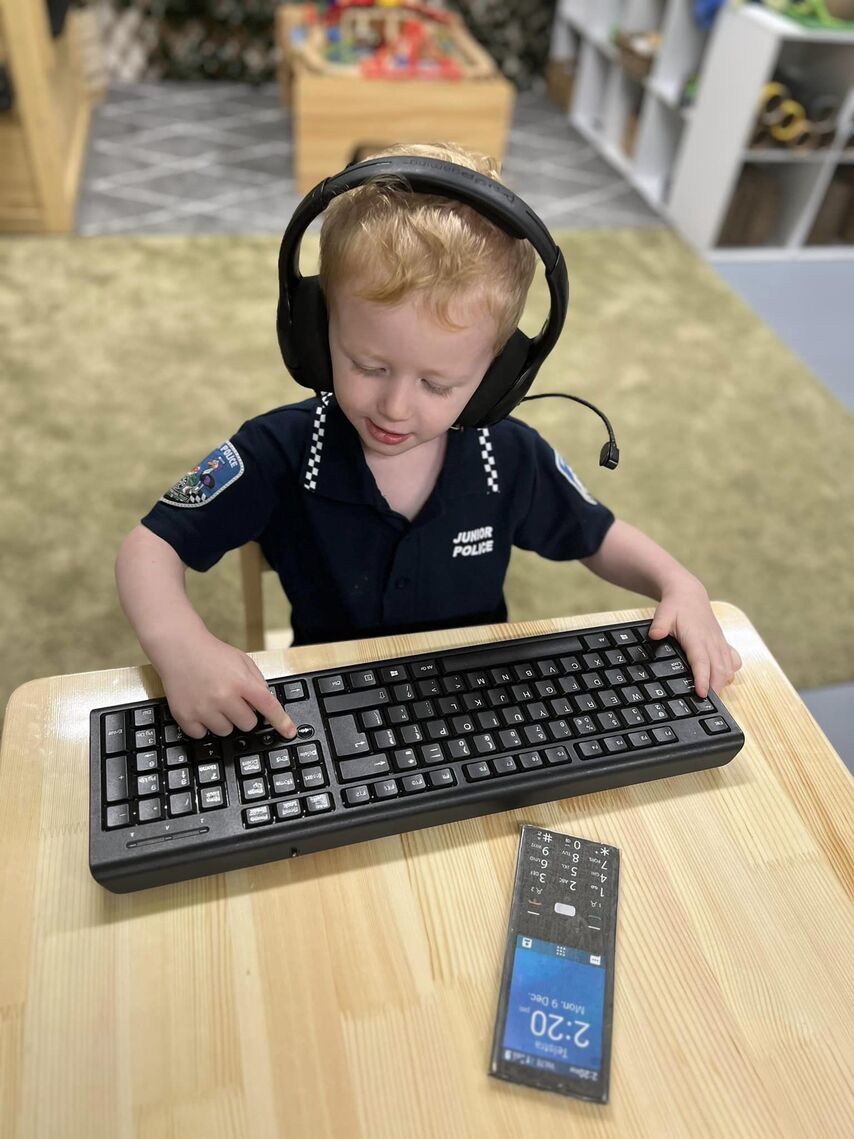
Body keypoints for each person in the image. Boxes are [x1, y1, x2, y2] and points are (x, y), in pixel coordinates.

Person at [115, 141, 741, 743]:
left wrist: (678, 583)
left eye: (438, 385)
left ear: (497, 378)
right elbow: (149, 548)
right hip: (333, 708)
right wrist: (180, 644)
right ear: (315, 330)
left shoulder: (511, 456)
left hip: (479, 709)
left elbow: (598, 536)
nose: (395, 407)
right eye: (368, 366)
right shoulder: (277, 450)